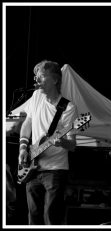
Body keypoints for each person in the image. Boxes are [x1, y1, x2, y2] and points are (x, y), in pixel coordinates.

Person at [18, 60, 78, 225]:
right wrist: (23, 148)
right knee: (33, 216)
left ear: (55, 80)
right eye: (36, 77)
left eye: (42, 76)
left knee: (51, 217)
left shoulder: (68, 107)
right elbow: (27, 123)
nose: (37, 80)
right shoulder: (36, 96)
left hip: (55, 170)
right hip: (32, 167)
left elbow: (72, 145)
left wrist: (61, 143)